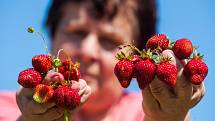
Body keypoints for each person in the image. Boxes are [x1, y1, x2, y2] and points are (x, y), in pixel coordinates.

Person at [0, 0, 205, 121]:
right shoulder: (6, 107)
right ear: (53, 36)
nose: (88, 51)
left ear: (138, 57)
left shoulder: (142, 113)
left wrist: (168, 117)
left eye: (109, 40)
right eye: (78, 32)